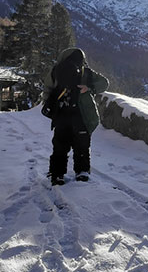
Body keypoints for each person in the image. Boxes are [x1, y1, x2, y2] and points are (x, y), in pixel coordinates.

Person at [42, 48, 109, 185]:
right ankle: (82, 173)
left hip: (62, 114)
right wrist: (88, 87)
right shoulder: (86, 72)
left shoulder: (56, 71)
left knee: (60, 145)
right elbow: (104, 83)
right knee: (82, 145)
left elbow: (47, 88)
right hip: (81, 114)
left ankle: (57, 174)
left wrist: (51, 103)